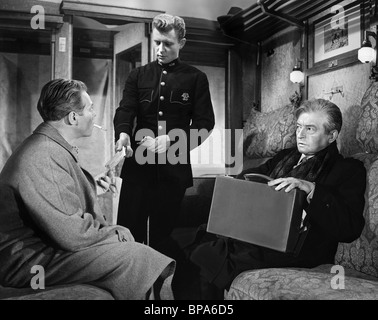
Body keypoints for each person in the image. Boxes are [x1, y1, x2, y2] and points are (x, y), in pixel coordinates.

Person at [0, 78, 175, 300]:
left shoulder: (48, 146)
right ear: (73, 117)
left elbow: (56, 201)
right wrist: (115, 233)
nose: (94, 114)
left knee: (139, 257)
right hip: (28, 264)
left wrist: (92, 187)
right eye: (90, 108)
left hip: (40, 251)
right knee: (138, 257)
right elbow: (71, 234)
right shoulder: (43, 153)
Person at [188, 98, 366, 299]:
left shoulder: (348, 170)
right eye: (299, 127)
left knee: (207, 256)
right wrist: (236, 183)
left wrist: (311, 189)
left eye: (310, 129)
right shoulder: (285, 157)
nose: (300, 134)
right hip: (260, 234)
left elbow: (350, 228)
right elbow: (254, 175)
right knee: (200, 242)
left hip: (301, 250)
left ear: (331, 135)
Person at [113, 13, 215, 249]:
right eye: (157, 42)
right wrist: (123, 134)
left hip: (173, 172)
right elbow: (126, 109)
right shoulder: (137, 76)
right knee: (127, 235)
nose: (160, 49)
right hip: (138, 168)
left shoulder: (196, 78)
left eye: (168, 43)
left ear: (181, 43)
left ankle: (162, 285)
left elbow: (205, 123)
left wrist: (173, 141)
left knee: (162, 238)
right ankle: (128, 285)